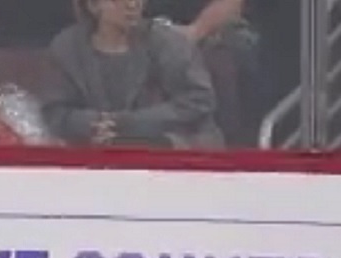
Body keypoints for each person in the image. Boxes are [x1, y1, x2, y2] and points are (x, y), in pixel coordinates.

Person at [44, 0, 223, 149]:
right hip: (95, 153)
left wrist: (129, 124)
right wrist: (92, 123)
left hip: (168, 148)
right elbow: (55, 112)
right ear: (93, 5)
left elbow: (199, 100)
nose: (132, 4)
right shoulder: (67, 48)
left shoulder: (168, 43)